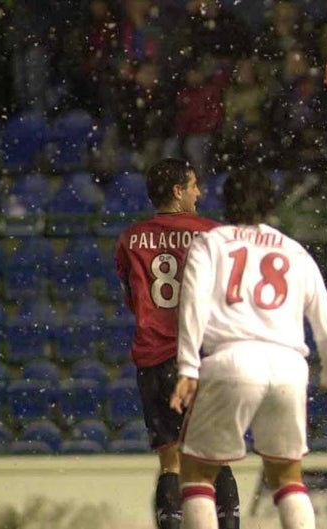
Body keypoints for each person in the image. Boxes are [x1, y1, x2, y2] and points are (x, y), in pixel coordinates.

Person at [169, 168, 327, 529]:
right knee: (288, 477)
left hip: (232, 358)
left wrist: (188, 367)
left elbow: (193, 303)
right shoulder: (295, 251)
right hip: (288, 366)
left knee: (197, 474)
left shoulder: (211, 242)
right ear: (271, 205)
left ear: (225, 201)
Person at [115, 158, 241, 529]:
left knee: (170, 461)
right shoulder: (213, 234)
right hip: (201, 357)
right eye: (193, 185)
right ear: (177, 191)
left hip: (154, 358)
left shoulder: (130, 238)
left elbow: (133, 297)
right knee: (216, 460)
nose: (199, 192)